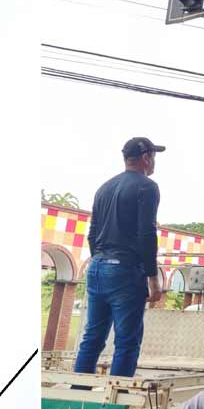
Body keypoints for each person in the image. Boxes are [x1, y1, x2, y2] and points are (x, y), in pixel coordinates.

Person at [73, 137, 165, 378]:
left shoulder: (104, 188)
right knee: (126, 342)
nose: (154, 162)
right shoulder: (147, 187)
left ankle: (79, 397)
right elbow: (146, 234)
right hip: (124, 270)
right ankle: (116, 402)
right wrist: (152, 278)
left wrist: (101, 261)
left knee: (92, 338)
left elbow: (92, 234)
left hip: (97, 267)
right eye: (153, 157)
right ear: (146, 158)